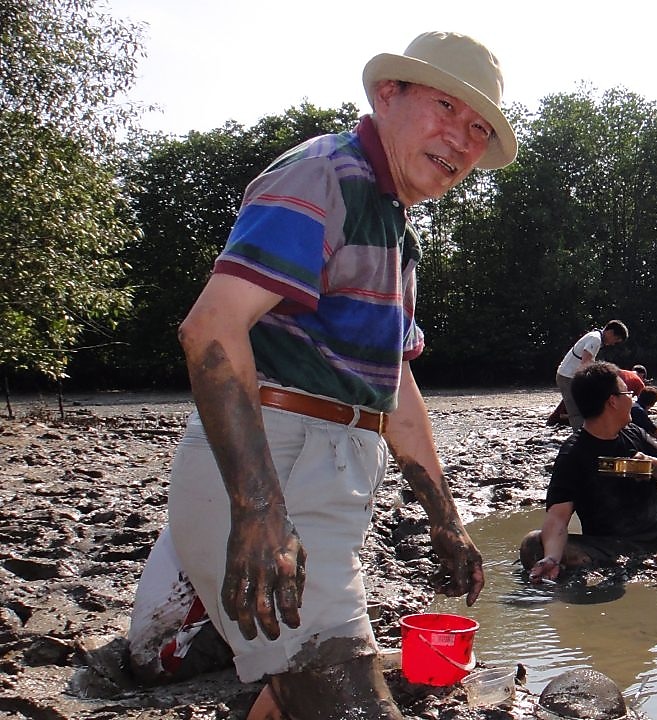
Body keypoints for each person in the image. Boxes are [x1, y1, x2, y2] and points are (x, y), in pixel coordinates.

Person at [125, 31, 517, 720]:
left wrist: (446, 520)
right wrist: (258, 510)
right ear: (387, 95)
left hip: (329, 480)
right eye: (446, 108)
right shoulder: (324, 175)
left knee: (292, 696)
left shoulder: (396, 229)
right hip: (274, 471)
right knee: (346, 701)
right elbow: (211, 328)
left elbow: (394, 390)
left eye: (479, 128)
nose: (461, 139)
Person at [520, 362, 657, 582]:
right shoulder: (573, 454)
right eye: (628, 394)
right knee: (534, 544)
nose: (632, 400)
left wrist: (653, 465)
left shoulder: (634, 433)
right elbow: (558, 517)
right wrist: (552, 558)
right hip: (606, 548)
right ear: (612, 401)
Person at [549, 320, 629, 428]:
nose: (614, 343)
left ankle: (588, 430)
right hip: (567, 377)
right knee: (576, 410)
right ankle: (580, 434)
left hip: (571, 376)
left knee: (584, 406)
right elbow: (586, 363)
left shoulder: (595, 337)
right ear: (610, 332)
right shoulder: (595, 339)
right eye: (616, 339)